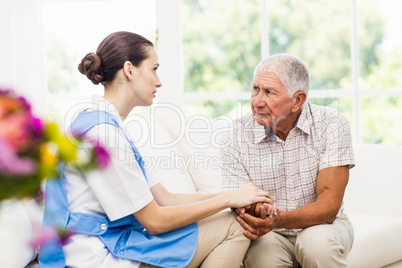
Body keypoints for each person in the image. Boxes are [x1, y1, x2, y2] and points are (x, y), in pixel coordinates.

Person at [38, 31, 274, 268]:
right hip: (97, 259)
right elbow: (155, 221)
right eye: (154, 69)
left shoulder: (104, 125)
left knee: (229, 217)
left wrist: (235, 197)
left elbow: (164, 198)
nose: (159, 81)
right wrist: (228, 199)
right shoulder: (104, 134)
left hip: (110, 248)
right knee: (234, 226)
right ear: (129, 70)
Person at [221, 53, 355, 268]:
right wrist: (261, 215)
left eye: (269, 92)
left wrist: (278, 219)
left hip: (324, 225)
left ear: (297, 100)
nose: (257, 102)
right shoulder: (236, 133)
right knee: (262, 255)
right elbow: (241, 203)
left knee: (317, 245)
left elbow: (329, 206)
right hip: (269, 232)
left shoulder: (332, 123)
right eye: (255, 89)